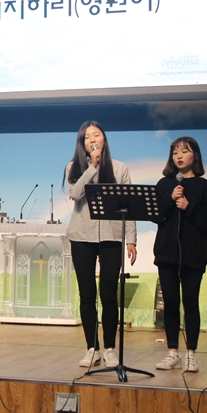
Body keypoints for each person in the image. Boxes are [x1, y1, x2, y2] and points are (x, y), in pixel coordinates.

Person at [65, 121, 137, 368]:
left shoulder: (119, 168)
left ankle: (110, 349)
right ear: (82, 143)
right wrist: (92, 167)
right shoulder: (73, 167)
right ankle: (91, 348)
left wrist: (131, 239)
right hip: (81, 237)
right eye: (87, 137)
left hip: (111, 236)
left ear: (104, 139)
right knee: (87, 295)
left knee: (109, 293)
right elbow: (75, 193)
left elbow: (129, 206)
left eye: (96, 135)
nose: (92, 140)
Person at [152, 137, 207, 373]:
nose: (179, 156)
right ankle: (173, 353)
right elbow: (154, 214)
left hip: (193, 254)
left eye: (184, 151)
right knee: (170, 303)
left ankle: (191, 353)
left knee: (190, 303)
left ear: (196, 156)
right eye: (175, 152)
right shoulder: (164, 184)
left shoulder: (205, 187)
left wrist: (189, 207)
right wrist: (170, 199)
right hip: (166, 254)